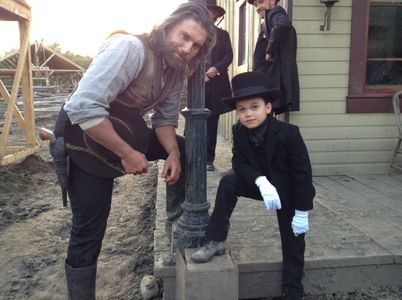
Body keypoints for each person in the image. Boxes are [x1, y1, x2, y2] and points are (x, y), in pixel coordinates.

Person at [51, 2, 216, 299]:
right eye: (184, 36)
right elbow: (83, 108)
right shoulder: (128, 48)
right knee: (89, 230)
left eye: (196, 45)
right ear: (167, 27)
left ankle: (177, 235)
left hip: (127, 130)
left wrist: (174, 155)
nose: (187, 48)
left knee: (185, 148)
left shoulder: (176, 69)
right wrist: (127, 153)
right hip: (84, 137)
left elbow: (164, 120)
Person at [191, 71, 315, 300]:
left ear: (268, 108)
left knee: (294, 238)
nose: (248, 114)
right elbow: (238, 162)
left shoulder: (289, 133)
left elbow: (303, 174)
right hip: (261, 185)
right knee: (228, 181)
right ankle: (215, 239)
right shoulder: (239, 131)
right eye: (242, 109)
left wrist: (302, 211)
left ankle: (293, 289)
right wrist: (260, 181)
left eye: (254, 107)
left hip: (287, 191)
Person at [248, 0, 300, 115]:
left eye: (260, 2)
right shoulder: (269, 18)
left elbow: (283, 23)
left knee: (264, 115)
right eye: (255, 5)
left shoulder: (274, 13)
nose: (257, 7)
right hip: (267, 78)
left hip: (269, 78)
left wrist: (269, 51)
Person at [204, 0, 233, 171]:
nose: (208, 14)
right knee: (193, 121)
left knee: (212, 122)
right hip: (197, 86)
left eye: (211, 11)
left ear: (216, 14)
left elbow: (229, 56)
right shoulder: (195, 33)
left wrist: (216, 69)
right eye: (205, 10)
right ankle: (190, 155)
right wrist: (199, 74)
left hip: (216, 85)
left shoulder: (223, 35)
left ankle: (208, 159)